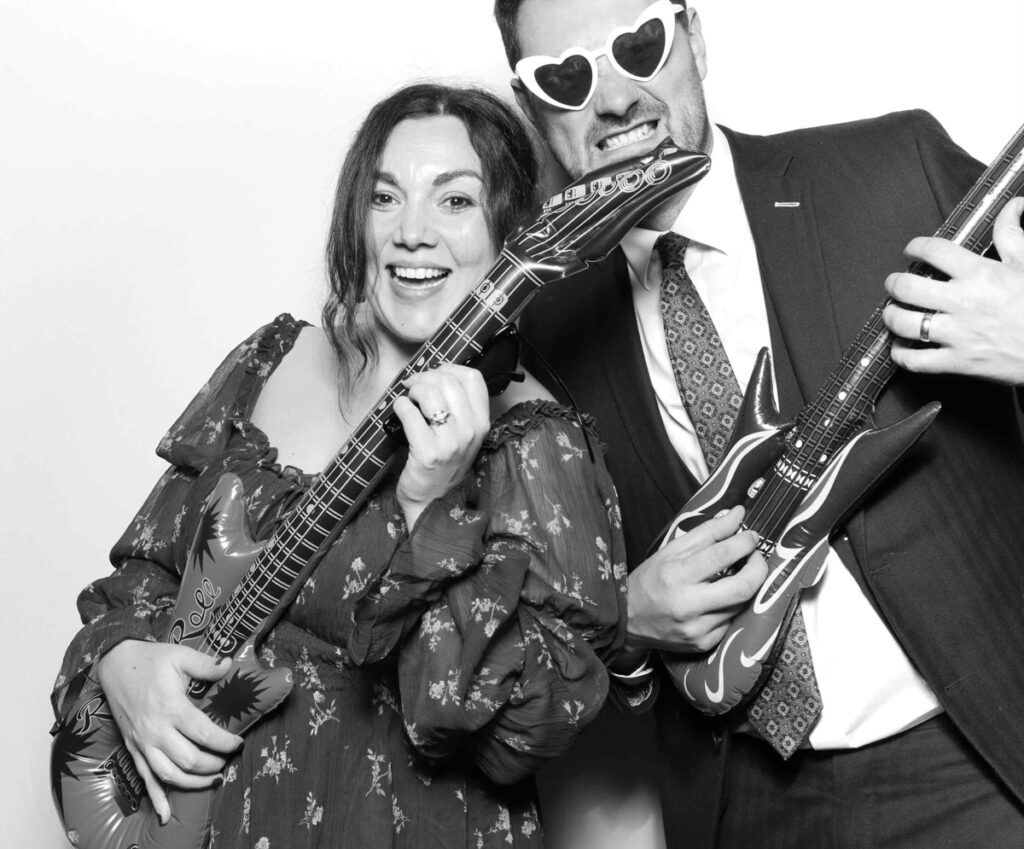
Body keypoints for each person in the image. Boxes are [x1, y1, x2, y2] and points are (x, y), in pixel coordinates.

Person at [492, 1, 1024, 847]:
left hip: (979, 764)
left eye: (639, 45)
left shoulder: (895, 168)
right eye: (566, 77)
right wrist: (628, 619)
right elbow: (538, 616)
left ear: (693, 37)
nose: (617, 98)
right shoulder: (544, 332)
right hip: (746, 805)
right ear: (533, 109)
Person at [51, 82, 628, 849]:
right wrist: (124, 667)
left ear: (511, 233)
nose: (412, 232)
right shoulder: (272, 357)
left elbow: (520, 731)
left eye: (454, 201)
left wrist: (432, 508)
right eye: (386, 197)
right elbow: (141, 579)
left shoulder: (535, 442)